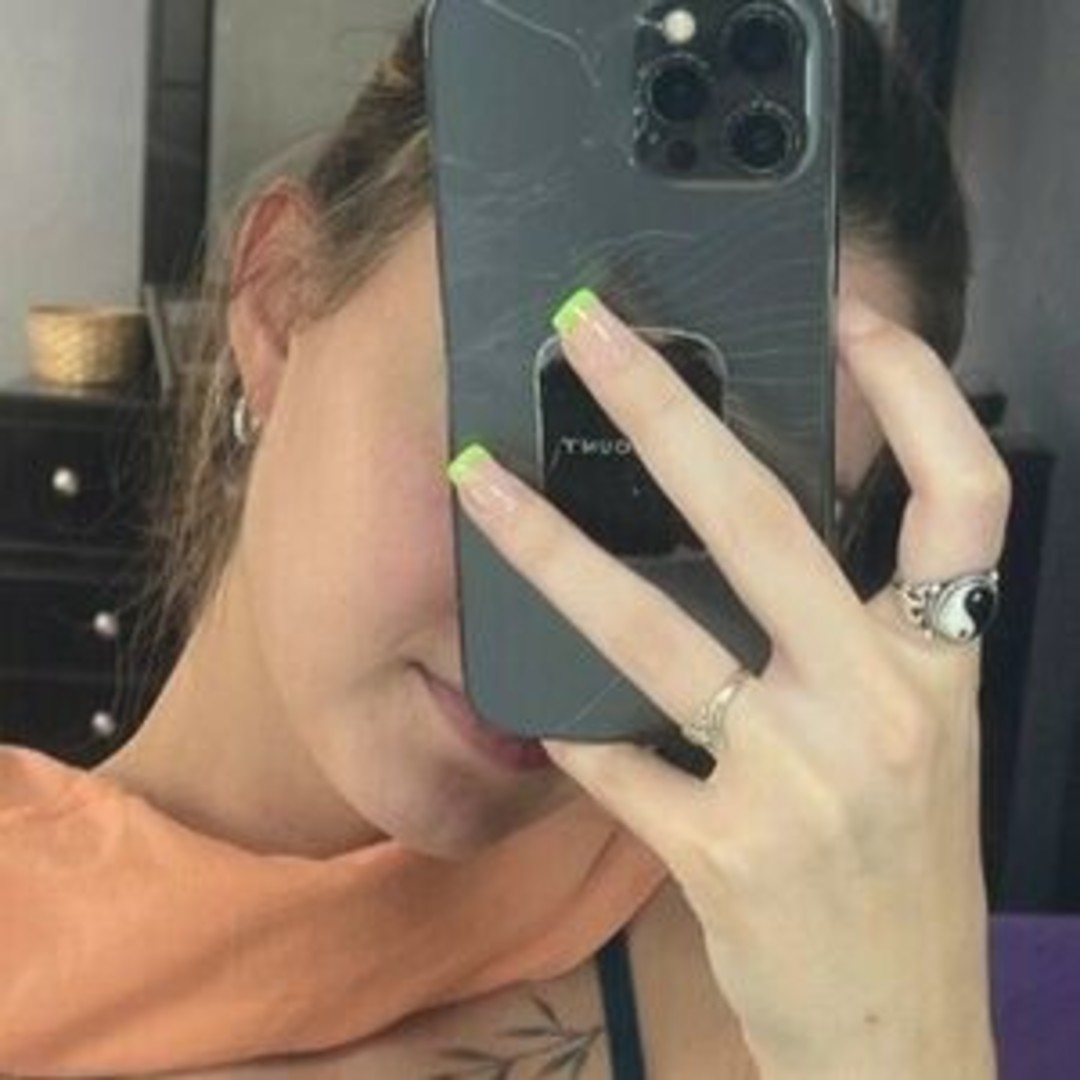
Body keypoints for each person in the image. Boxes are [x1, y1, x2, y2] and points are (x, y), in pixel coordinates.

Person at [0, 4, 1007, 1077]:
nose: (584, 604)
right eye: (552, 424)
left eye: (737, 511)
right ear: (281, 307)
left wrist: (916, 1039)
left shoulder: (780, 947)